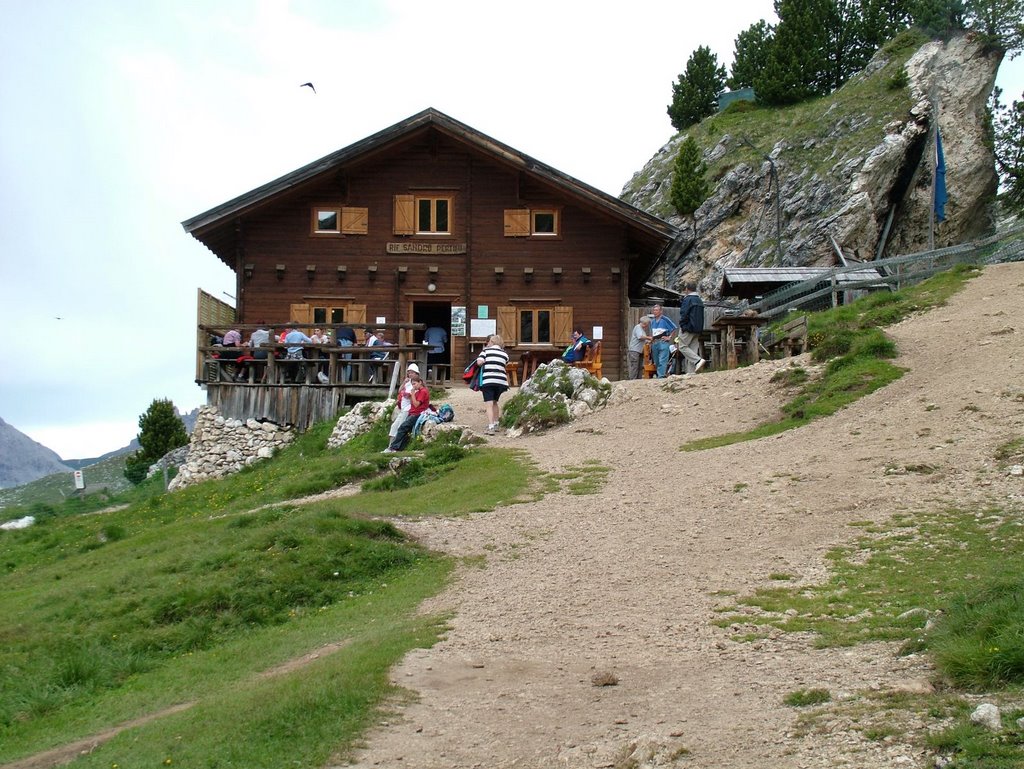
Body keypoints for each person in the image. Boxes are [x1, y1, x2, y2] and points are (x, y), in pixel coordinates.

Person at [382, 372, 430, 452]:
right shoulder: (418, 391)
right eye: (412, 385)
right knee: (405, 430)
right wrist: (410, 396)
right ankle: (399, 448)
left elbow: (416, 404)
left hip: (417, 414)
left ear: (420, 382)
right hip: (412, 412)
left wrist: (412, 394)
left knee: (402, 428)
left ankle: (393, 447)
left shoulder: (423, 391)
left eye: (414, 384)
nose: (413, 386)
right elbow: (413, 402)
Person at [475, 334, 509, 435]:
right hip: (501, 382)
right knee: (495, 402)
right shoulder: (505, 354)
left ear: (492, 342)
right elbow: (505, 363)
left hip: (488, 381)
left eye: (489, 341)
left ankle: (491, 426)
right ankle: (496, 423)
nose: (488, 343)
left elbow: (479, 362)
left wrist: (483, 361)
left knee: (489, 404)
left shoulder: (485, 351)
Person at [677, 281, 707, 374]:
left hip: (688, 328)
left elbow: (684, 314)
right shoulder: (699, 300)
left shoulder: (688, 299)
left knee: (682, 346)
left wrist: (682, 325)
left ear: (687, 289)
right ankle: (691, 373)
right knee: (692, 350)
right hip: (698, 329)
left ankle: (698, 360)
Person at [389, 363, 421, 442]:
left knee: (401, 426)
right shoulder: (408, 382)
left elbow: (416, 399)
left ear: (416, 373)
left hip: (409, 407)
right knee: (394, 426)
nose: (410, 374)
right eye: (409, 373)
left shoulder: (417, 383)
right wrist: (404, 383)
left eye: (412, 372)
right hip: (403, 407)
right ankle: (390, 445)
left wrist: (409, 396)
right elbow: (399, 390)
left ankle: (397, 445)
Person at [649, 304, 677, 378]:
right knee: (656, 361)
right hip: (655, 342)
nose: (655, 312)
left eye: (657, 310)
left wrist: (669, 337)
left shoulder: (665, 319)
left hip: (663, 342)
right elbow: (653, 332)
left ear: (661, 311)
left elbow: (674, 328)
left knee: (662, 360)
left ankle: (660, 377)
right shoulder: (652, 321)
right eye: (654, 310)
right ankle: (660, 375)